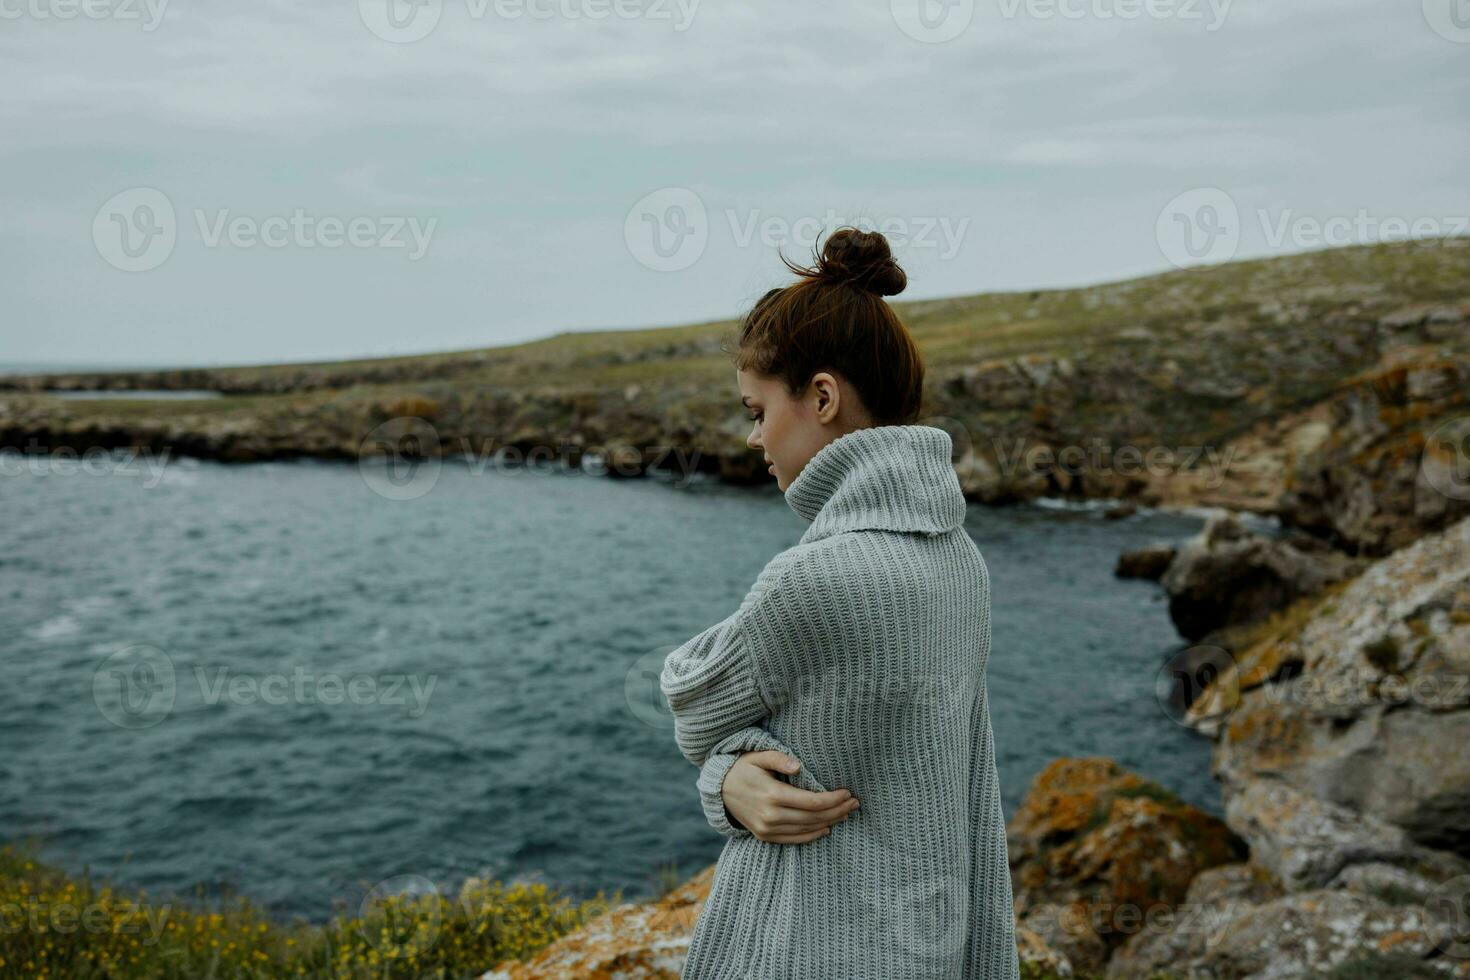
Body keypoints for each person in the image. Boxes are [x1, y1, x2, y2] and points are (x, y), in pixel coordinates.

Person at [658, 225, 1020, 979]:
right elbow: (961, 789)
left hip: (806, 950)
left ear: (821, 397)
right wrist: (734, 779)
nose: (754, 439)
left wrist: (722, 772)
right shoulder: (961, 561)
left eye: (758, 411)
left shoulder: (812, 580)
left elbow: (691, 699)